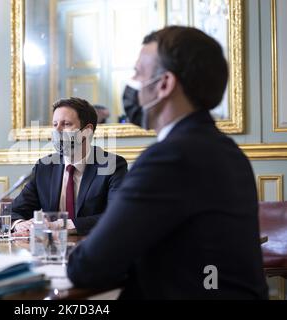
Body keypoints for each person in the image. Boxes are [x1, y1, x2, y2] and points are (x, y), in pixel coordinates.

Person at [67, 26, 268, 299]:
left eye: (138, 73)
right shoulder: (228, 151)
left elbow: (88, 267)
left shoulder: (169, 158)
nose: (132, 84)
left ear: (164, 84)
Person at [11, 97, 128, 236]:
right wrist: (20, 224)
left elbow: (116, 215)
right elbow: (15, 211)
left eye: (66, 124)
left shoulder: (112, 165)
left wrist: (59, 225)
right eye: (55, 124)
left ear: (87, 130)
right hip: (51, 251)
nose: (57, 131)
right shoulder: (45, 167)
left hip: (95, 248)